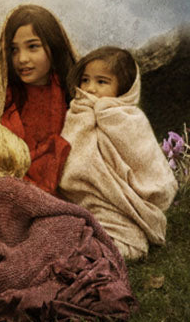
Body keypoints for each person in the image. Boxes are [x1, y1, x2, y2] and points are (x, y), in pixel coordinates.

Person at [0, 119, 136, 322]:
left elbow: (55, 210)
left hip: (59, 234)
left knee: (0, 280)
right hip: (30, 246)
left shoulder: (4, 188)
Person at [58, 47, 178, 261]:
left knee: (120, 242)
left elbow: (144, 159)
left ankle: (113, 238)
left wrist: (106, 115)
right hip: (82, 196)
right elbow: (71, 153)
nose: (90, 88)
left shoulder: (129, 118)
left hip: (121, 203)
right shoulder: (77, 112)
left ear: (124, 89)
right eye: (85, 80)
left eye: (101, 82)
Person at [0, 4, 78, 194]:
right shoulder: (1, 101)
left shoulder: (76, 98)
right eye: (14, 50)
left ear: (53, 46)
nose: (22, 58)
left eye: (33, 47)